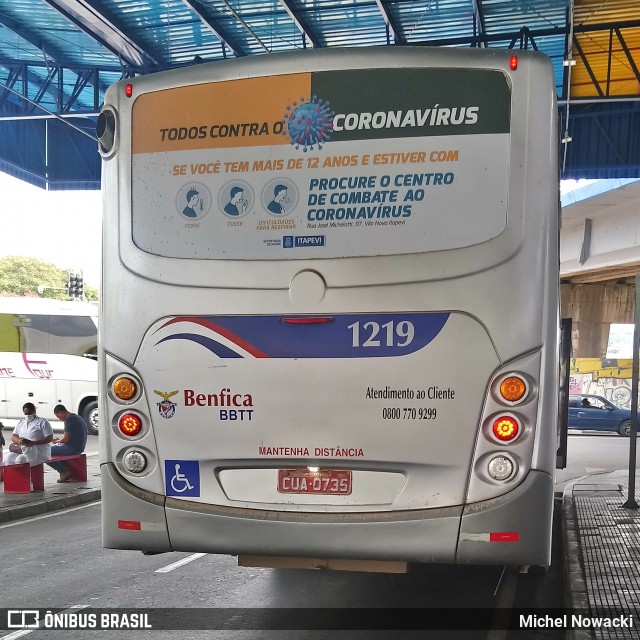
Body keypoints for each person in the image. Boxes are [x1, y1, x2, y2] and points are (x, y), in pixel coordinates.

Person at [46, 404, 88, 483]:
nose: (59, 419)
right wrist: (60, 441)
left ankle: (64, 471)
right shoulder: (77, 417)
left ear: (61, 412)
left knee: (45, 452)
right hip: (79, 446)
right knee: (54, 451)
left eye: (58, 416)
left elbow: (65, 439)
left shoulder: (69, 420)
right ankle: (66, 469)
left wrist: (57, 441)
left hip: (72, 448)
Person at [5, 402, 53, 467]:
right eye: (26, 414)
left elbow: (49, 438)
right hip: (23, 450)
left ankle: (26, 476)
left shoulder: (43, 422)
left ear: (34, 411)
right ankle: (13, 477)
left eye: (29, 413)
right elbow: (14, 436)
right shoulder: (21, 422)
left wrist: (34, 442)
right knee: (8, 458)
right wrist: (19, 441)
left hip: (39, 452)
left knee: (20, 460)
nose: (27, 416)